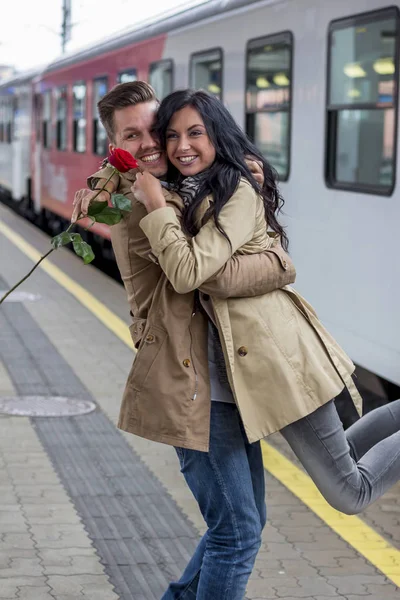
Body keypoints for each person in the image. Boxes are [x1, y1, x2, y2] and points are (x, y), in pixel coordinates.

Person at [128, 88, 400, 599]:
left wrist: (154, 206)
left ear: (218, 136)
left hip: (279, 366)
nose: (182, 145)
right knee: (243, 523)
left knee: (349, 492)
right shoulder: (195, 192)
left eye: (195, 133)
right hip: (244, 378)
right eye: (172, 136)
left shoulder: (232, 189)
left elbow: (187, 270)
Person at [71, 82, 297, 599]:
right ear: (117, 145)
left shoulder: (180, 186)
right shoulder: (137, 201)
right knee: (237, 533)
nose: (154, 143)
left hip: (224, 381)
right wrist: (279, 264)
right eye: (134, 135)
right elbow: (195, 272)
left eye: (158, 129)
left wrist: (248, 180)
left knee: (242, 524)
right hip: (190, 386)